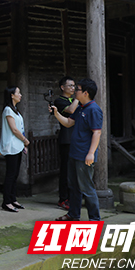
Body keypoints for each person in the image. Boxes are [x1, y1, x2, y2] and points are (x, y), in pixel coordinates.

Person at [50, 78, 103, 222]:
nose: (75, 91)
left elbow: (97, 133)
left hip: (84, 154)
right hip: (74, 153)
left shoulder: (94, 110)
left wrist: (91, 153)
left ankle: (94, 219)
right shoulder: (80, 108)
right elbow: (68, 123)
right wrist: (56, 114)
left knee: (87, 187)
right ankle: (73, 214)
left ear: (85, 93)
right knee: (73, 186)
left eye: (77, 89)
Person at [0, 86, 29, 213]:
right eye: (18, 93)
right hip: (11, 146)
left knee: (15, 173)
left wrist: (22, 145)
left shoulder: (15, 110)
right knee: (10, 174)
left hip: (17, 146)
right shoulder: (8, 110)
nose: (20, 95)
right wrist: (25, 140)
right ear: (12, 95)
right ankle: (6, 201)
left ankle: (13, 198)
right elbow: (14, 129)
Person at [53, 76, 79, 210]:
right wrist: (78, 99)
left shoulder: (74, 100)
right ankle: (63, 199)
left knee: (74, 170)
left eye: (74, 86)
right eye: (70, 86)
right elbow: (70, 111)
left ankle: (72, 197)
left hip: (76, 138)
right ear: (62, 87)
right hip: (66, 139)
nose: (73, 88)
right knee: (65, 170)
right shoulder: (60, 101)